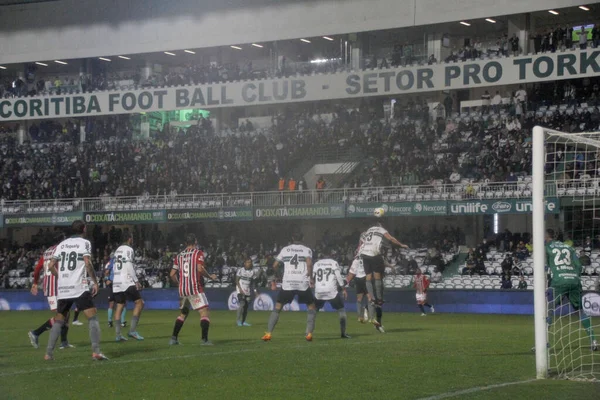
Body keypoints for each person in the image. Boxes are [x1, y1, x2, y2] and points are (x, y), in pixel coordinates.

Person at [44, 220, 107, 361]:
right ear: (84, 229)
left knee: (59, 320)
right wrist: (95, 281)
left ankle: (48, 353)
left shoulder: (61, 245)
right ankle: (96, 351)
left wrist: (60, 277)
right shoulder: (84, 243)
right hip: (79, 286)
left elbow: (50, 265)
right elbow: (87, 262)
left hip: (63, 288)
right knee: (92, 317)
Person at [545, 229, 597, 350]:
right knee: (581, 311)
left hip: (559, 281)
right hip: (574, 280)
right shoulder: (569, 247)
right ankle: (593, 340)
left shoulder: (546, 246)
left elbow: (546, 266)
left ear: (546, 237)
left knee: (548, 310)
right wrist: (574, 277)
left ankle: (544, 343)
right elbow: (578, 265)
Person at [262, 235, 316, 342]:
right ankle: (308, 333)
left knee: (278, 307)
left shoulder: (285, 249)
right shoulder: (306, 250)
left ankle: (268, 333)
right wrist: (310, 278)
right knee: (311, 306)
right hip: (302, 282)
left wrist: (280, 275)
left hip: (288, 283)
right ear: (303, 239)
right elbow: (309, 264)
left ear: (292, 239)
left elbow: (275, 265)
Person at [169, 233, 217, 345]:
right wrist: (210, 276)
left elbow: (172, 274)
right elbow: (200, 269)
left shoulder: (179, 256)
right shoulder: (198, 253)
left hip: (183, 290)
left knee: (183, 313)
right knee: (204, 312)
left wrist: (179, 284)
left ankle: (173, 338)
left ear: (185, 243)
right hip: (194, 288)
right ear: (195, 242)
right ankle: (204, 340)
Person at [358, 221, 409, 328]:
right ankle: (378, 298)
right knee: (377, 276)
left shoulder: (369, 230)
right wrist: (401, 244)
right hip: (373, 253)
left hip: (364, 253)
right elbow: (390, 239)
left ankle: (371, 297)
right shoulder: (381, 230)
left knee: (368, 276)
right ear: (380, 226)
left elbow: (363, 242)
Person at [28, 235, 74, 350]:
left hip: (50, 287)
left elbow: (38, 268)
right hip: (57, 287)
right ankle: (36, 333)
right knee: (61, 316)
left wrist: (35, 282)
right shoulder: (61, 249)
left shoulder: (47, 252)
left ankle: (64, 342)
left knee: (66, 313)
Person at [112, 232, 145, 341]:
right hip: (126, 280)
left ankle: (118, 335)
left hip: (116, 281)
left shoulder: (117, 251)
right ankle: (132, 331)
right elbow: (129, 265)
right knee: (140, 302)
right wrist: (136, 281)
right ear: (130, 239)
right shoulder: (129, 250)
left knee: (119, 306)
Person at [313, 252, 350, 339]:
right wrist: (344, 289)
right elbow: (339, 278)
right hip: (331, 291)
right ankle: (343, 333)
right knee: (341, 311)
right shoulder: (333, 263)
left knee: (313, 311)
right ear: (331, 255)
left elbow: (312, 277)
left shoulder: (317, 264)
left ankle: (308, 332)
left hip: (319, 291)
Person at [104, 254, 127, 328]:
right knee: (122, 303)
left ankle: (110, 322)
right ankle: (122, 322)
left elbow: (107, 271)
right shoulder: (124, 260)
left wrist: (107, 279)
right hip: (120, 283)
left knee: (111, 303)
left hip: (112, 283)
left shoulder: (112, 260)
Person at [236, 257, 258, 327]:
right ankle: (238, 321)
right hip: (240, 289)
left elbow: (253, 283)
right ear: (245, 263)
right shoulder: (240, 270)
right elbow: (236, 280)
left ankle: (243, 321)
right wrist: (240, 289)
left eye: (250, 262)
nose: (249, 263)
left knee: (246, 307)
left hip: (247, 290)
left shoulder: (253, 271)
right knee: (242, 304)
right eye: (248, 262)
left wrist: (255, 291)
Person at [346, 256, 368, 323]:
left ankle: (363, 314)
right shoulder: (367, 258)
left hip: (360, 279)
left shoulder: (356, 260)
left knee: (361, 299)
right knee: (364, 298)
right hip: (364, 279)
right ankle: (362, 315)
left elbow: (351, 273)